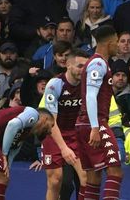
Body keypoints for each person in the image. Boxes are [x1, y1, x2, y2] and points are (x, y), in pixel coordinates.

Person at [75, 25, 123, 199]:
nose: (119, 46)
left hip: (83, 123)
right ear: (109, 42)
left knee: (93, 178)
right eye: (117, 42)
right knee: (115, 172)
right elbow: (90, 95)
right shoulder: (98, 63)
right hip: (94, 123)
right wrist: (95, 127)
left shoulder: (98, 62)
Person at [41, 49, 89, 200]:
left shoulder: (89, 86)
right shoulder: (55, 85)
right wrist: (64, 148)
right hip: (54, 133)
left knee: (86, 180)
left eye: (86, 67)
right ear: (68, 64)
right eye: (80, 66)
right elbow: (51, 122)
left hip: (76, 134)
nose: (83, 70)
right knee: (56, 180)